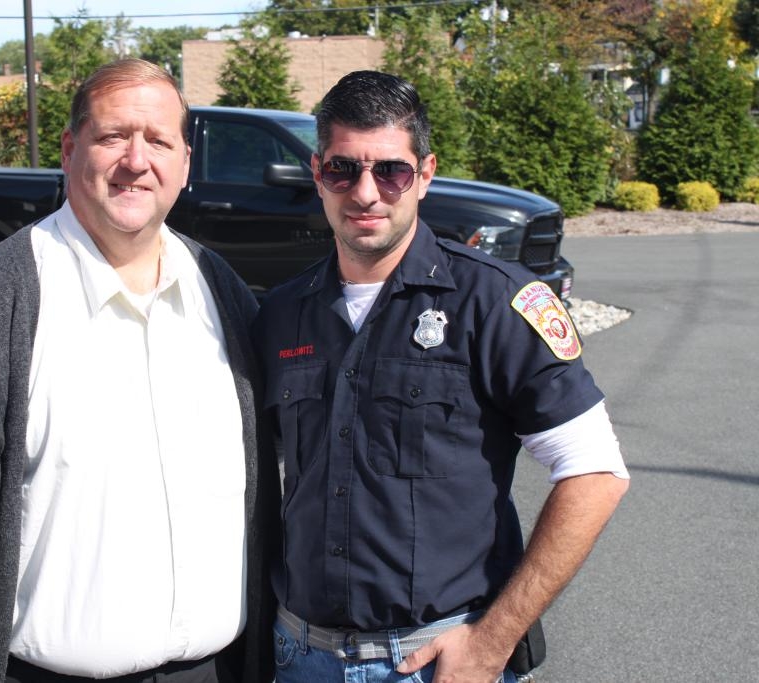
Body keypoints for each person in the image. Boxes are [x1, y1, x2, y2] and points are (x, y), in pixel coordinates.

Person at [0, 58, 280, 683]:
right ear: (70, 149)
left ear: (185, 164)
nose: (137, 160)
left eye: (159, 141)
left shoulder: (219, 293)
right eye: (114, 136)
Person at [252, 70, 629, 683]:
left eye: (391, 171)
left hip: (433, 663)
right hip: (301, 655)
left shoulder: (495, 302)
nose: (366, 193)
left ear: (425, 175)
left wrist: (493, 641)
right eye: (343, 170)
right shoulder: (282, 313)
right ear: (318, 173)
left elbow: (595, 472)